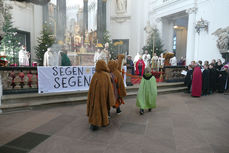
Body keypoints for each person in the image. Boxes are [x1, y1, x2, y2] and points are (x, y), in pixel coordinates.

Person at [87, 60, 115, 131]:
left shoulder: (95, 75)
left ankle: (94, 123)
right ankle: (103, 122)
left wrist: (90, 97)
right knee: (103, 108)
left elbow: (91, 88)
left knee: (95, 109)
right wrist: (111, 100)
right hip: (103, 97)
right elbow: (110, 89)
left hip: (94, 97)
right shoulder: (106, 75)